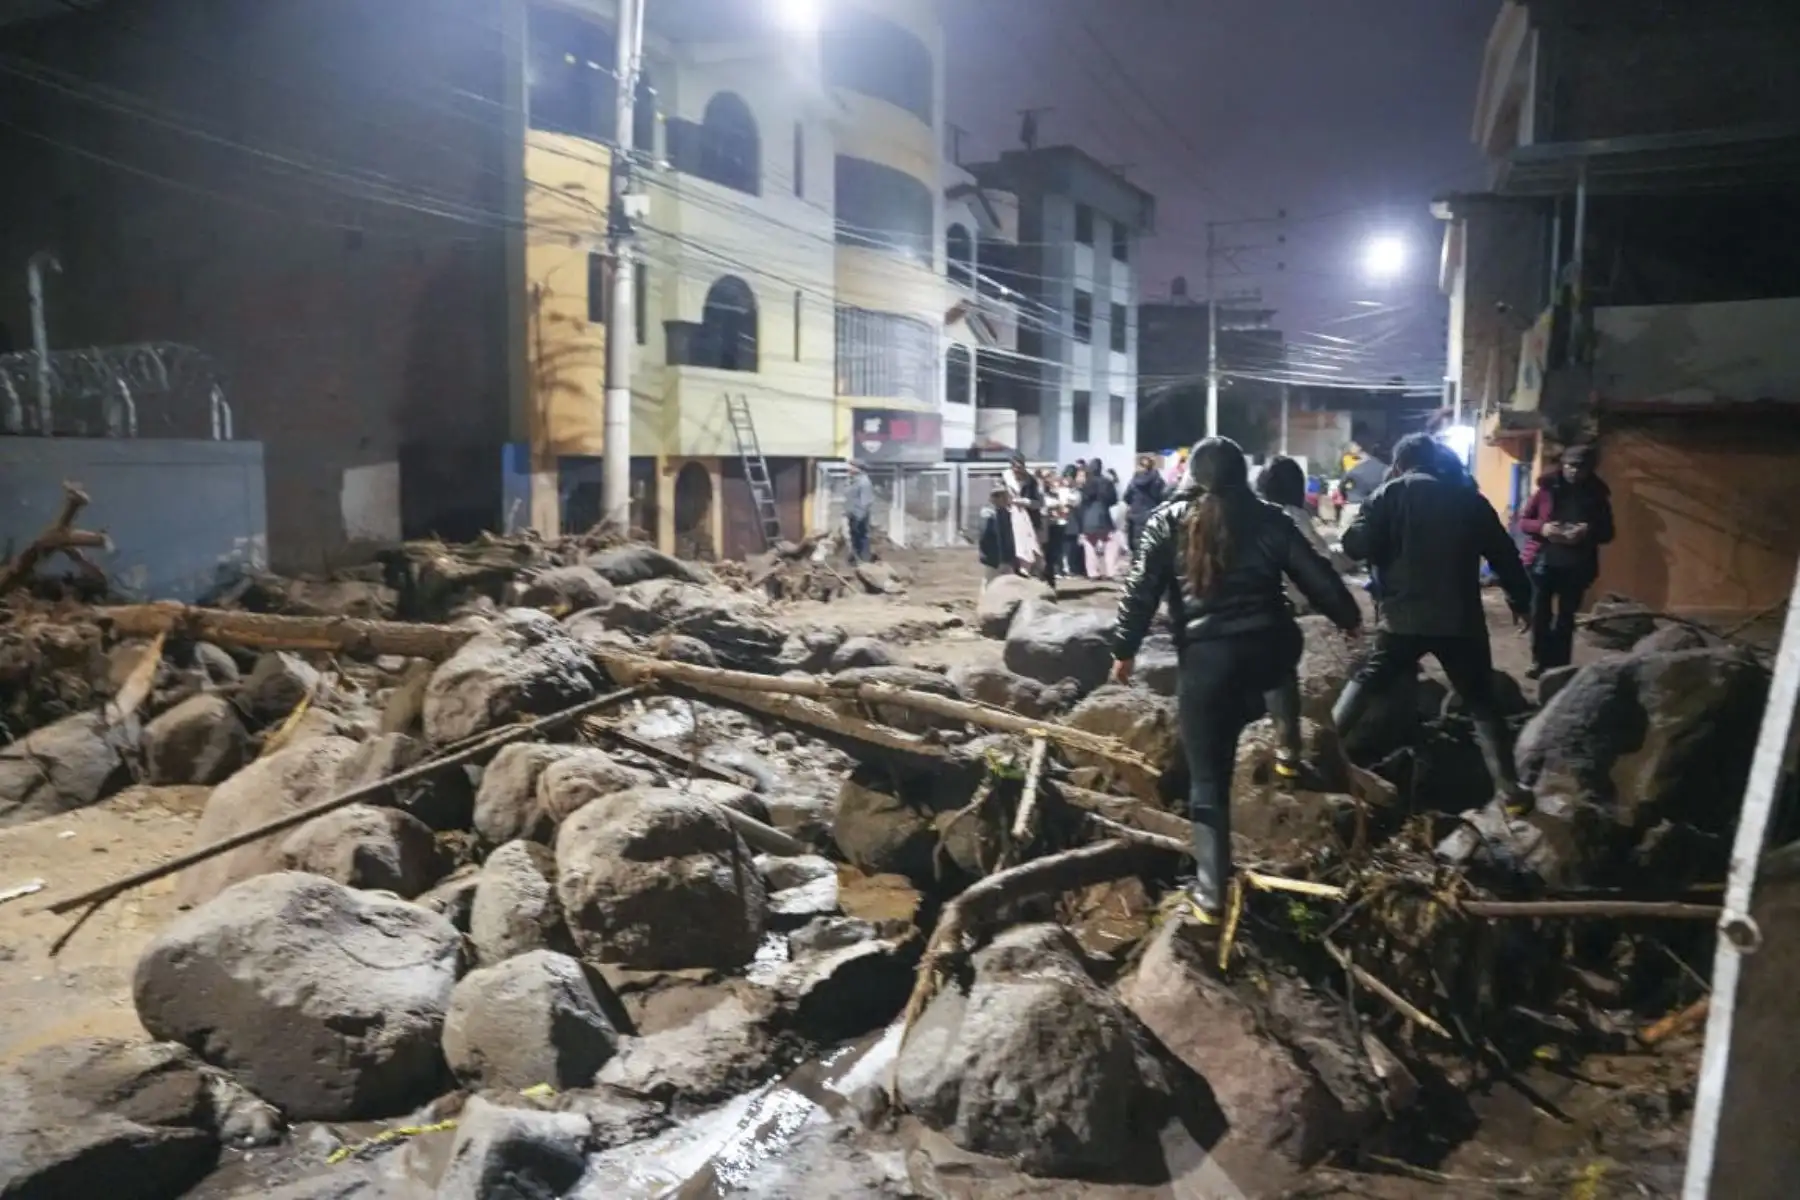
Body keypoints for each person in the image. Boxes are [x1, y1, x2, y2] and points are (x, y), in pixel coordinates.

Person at [1110, 437, 1363, 918]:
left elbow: (1140, 589)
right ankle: (1288, 751)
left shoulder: (1167, 521)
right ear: (1242, 473)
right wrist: (1347, 616)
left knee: (1208, 781)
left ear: (1193, 476)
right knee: (1280, 662)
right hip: (1269, 651)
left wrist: (1124, 649)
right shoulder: (1271, 517)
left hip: (1209, 666)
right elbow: (1318, 575)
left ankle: (1210, 895)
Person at [1334, 433, 1535, 810]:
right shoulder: (1468, 500)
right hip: (1460, 621)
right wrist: (1521, 601)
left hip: (1401, 620)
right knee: (1481, 701)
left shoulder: (1387, 496)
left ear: (1400, 464)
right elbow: (1505, 554)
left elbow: (1353, 546)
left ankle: (1321, 751)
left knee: (1368, 680)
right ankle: (1510, 791)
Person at [1517, 444, 1613, 678]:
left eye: (1580, 468)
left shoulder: (1597, 496)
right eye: (1570, 465)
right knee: (1540, 615)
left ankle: (1560, 666)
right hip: (1543, 564)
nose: (1573, 471)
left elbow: (1608, 532)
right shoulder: (1546, 490)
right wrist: (1545, 528)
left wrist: (1586, 531)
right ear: (1563, 465)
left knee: (1566, 618)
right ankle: (1539, 661)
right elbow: (1523, 522)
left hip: (1577, 566)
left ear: (1590, 470)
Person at [1080, 457, 1121, 579]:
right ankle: (1110, 571)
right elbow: (1114, 500)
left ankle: (1093, 572)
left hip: (1089, 516)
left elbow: (1084, 500)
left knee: (1089, 544)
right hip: (1104, 515)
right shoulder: (1107, 482)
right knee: (1111, 543)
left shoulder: (1087, 483)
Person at [1124, 454, 1168, 554]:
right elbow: (1163, 497)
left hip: (1135, 517)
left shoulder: (1133, 482)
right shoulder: (1158, 481)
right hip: (1152, 516)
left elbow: (1126, 498)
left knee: (1137, 548)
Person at [1336, 447, 1389, 530]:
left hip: (1353, 506)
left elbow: (1342, 487)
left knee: (1344, 533)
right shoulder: (1385, 469)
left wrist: (1346, 496)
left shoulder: (1354, 470)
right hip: (1375, 509)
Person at [1038, 467, 1073, 589]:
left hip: (1055, 525)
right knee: (1043, 555)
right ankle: (1043, 580)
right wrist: (1052, 508)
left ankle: (1050, 582)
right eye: (1046, 476)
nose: (1049, 479)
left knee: (1052, 555)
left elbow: (1065, 504)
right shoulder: (1039, 491)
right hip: (1042, 526)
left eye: (1050, 476)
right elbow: (1041, 506)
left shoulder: (1056, 492)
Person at [977, 485, 1018, 584]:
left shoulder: (1005, 513)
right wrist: (995, 558)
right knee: (991, 581)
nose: (1006, 499)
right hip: (994, 557)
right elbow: (986, 537)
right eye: (1001, 496)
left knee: (1007, 583)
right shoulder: (989, 514)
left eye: (1005, 496)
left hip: (1006, 557)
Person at [844, 462, 874, 564]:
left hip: (860, 514)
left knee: (862, 536)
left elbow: (866, 501)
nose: (849, 468)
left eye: (852, 466)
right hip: (852, 513)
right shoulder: (852, 480)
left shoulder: (864, 482)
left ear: (858, 469)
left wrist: (859, 516)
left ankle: (864, 559)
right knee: (854, 536)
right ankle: (856, 559)